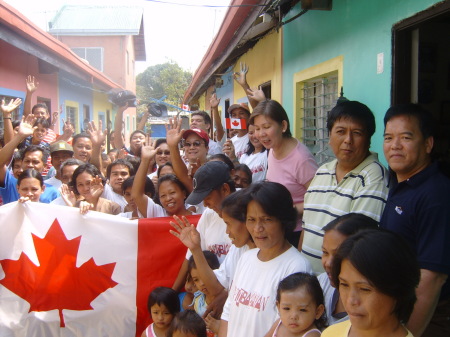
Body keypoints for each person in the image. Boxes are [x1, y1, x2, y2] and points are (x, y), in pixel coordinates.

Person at [380, 103, 450, 337]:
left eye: (405, 137)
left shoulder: (435, 194)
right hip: (397, 307)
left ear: (428, 144)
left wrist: (407, 333)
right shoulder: (401, 184)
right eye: (388, 137)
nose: (395, 146)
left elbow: (433, 277)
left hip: (428, 316)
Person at [301, 100, 389, 273]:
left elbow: (357, 244)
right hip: (308, 281)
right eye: (340, 132)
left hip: (336, 285)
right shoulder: (322, 172)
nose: (348, 140)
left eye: (357, 133)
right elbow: (307, 228)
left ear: (369, 140)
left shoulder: (373, 177)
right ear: (329, 137)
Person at [218, 182, 312, 337]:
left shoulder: (296, 267)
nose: (257, 228)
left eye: (267, 219)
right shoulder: (246, 258)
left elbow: (282, 328)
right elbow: (228, 313)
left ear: (283, 220)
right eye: (251, 219)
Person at [321, 230, 420, 337]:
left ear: (398, 290)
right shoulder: (331, 333)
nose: (351, 301)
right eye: (344, 285)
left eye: (364, 289)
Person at [250, 99, 318, 248]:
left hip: (297, 233)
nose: (260, 134)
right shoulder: (272, 149)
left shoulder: (301, 159)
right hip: (277, 229)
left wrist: (289, 211)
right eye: (257, 128)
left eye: (266, 127)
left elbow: (319, 199)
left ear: (284, 126)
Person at [319, 213, 379, 325]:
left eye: (339, 255)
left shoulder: (373, 308)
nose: (329, 263)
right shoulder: (321, 284)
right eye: (325, 252)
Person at [0, 117, 58, 204]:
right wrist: (19, 136)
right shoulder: (11, 183)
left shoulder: (53, 192)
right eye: (27, 161)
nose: (30, 165)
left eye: (35, 162)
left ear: (44, 166)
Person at [132, 144, 192, 218]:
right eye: (163, 196)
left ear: (184, 193)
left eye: (172, 192)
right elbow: (136, 195)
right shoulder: (156, 213)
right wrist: (145, 160)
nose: (168, 198)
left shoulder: (199, 215)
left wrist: (173, 146)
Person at [264, 272, 327, 337]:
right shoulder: (279, 324)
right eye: (286, 308)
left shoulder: (312, 335)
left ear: (318, 312)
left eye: (302, 310)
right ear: (278, 307)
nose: (293, 316)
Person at [188, 251, 220, 318]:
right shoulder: (198, 301)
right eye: (196, 280)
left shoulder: (227, 299)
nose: (202, 283)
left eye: (205, 277)